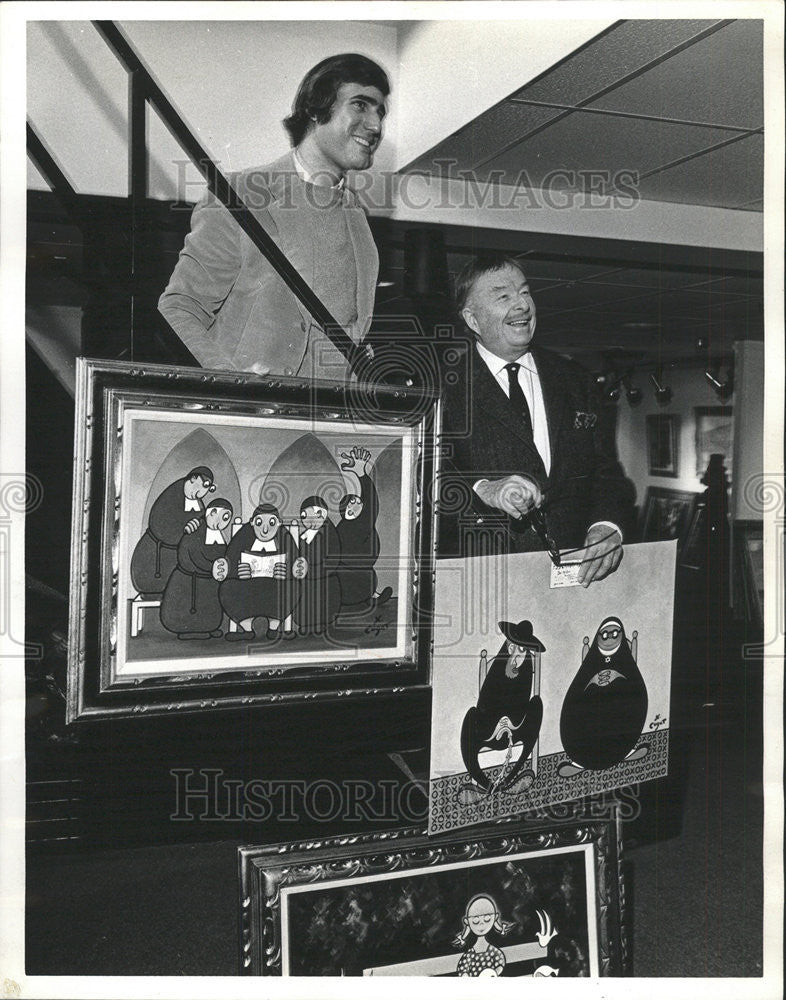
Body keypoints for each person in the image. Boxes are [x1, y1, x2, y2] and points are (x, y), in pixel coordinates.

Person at [158, 53, 389, 381]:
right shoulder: (242, 194)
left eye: (380, 112)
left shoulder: (359, 219)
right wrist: (229, 378)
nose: (376, 125)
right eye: (361, 105)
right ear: (314, 108)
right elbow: (180, 308)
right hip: (252, 416)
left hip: (332, 420)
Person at [439, 253, 633, 585]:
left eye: (525, 292)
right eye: (503, 296)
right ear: (472, 319)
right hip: (483, 580)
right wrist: (482, 490)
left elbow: (607, 473)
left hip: (575, 579)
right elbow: (420, 477)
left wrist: (606, 525)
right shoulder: (444, 387)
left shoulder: (575, 380)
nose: (522, 305)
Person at [216, 503, 305, 641]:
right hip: (247, 586)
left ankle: (274, 628)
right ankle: (246, 628)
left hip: (274, 587)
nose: (265, 529)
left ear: (279, 523)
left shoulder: (284, 536)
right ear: (252, 522)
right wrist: (237, 572)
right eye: (259, 523)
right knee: (227, 587)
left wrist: (286, 572)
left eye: (271, 523)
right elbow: (230, 560)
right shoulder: (243, 535)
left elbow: (295, 565)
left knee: (293, 586)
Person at [130, 466, 216, 597]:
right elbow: (159, 525)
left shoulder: (197, 503)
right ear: (193, 478)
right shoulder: (170, 495)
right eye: (200, 487)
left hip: (177, 561)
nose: (200, 493)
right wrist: (184, 529)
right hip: (156, 559)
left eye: (205, 490)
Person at [159, 498, 233, 640]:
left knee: (210, 606)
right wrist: (211, 567)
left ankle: (209, 627)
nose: (220, 521)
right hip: (189, 580)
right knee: (187, 606)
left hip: (209, 581)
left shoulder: (220, 536)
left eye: (225, 518)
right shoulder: (195, 530)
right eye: (216, 515)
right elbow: (190, 555)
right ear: (209, 513)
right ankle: (187, 630)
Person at [335, 445, 392, 610]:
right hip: (354, 582)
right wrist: (361, 473)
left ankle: (370, 595)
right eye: (351, 505)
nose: (356, 503)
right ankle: (369, 596)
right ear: (347, 513)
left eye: (355, 500)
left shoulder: (347, 525)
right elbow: (372, 504)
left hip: (354, 580)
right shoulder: (355, 524)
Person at [295, 495, 342, 635]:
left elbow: (333, 559)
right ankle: (305, 623)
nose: (310, 522)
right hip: (307, 578)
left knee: (322, 601)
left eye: (315, 516)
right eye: (305, 517)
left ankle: (320, 624)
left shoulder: (330, 533)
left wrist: (313, 570)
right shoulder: (305, 535)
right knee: (305, 600)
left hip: (324, 578)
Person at [453, 893, 513, 977]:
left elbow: (500, 964)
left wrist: (492, 974)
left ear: (495, 917)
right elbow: (463, 970)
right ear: (467, 921)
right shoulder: (469, 955)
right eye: (476, 920)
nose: (481, 923)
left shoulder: (493, 952)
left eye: (487, 918)